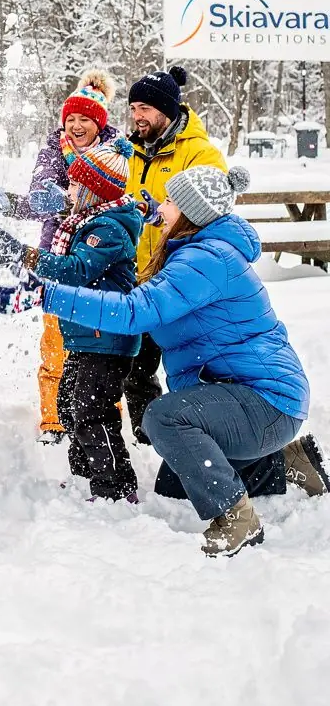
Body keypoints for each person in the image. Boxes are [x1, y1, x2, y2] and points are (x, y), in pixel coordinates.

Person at [37, 163, 325, 557]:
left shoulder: (206, 260)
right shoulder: (198, 251)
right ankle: (285, 461)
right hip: (247, 398)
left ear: (191, 213)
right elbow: (149, 304)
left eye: (171, 201)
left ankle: (236, 517)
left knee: (163, 418)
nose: (162, 207)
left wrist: (48, 296)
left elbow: (137, 311)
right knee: (174, 486)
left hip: (267, 402)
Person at [0, 137, 143, 502]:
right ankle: (84, 474)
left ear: (93, 191)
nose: (67, 191)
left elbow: (75, 271)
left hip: (107, 339)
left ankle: (114, 486)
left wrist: (25, 256)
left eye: (75, 184)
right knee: (69, 403)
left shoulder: (109, 229)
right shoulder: (85, 221)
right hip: (86, 338)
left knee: (91, 410)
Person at [0, 67, 120, 444]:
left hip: (101, 254)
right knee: (56, 338)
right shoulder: (54, 149)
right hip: (55, 255)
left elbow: (125, 196)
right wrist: (20, 203)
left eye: (84, 119)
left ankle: (107, 412)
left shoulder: (116, 153)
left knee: (104, 339)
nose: (75, 126)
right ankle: (54, 417)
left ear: (99, 124)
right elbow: (40, 192)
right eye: (70, 118)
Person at [124, 63, 227, 440]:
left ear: (166, 110)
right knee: (137, 367)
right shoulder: (130, 151)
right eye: (133, 108)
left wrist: (161, 218)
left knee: (194, 365)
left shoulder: (200, 153)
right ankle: (148, 435)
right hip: (138, 278)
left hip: (183, 279)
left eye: (145, 109)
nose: (137, 117)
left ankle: (202, 434)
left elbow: (212, 210)